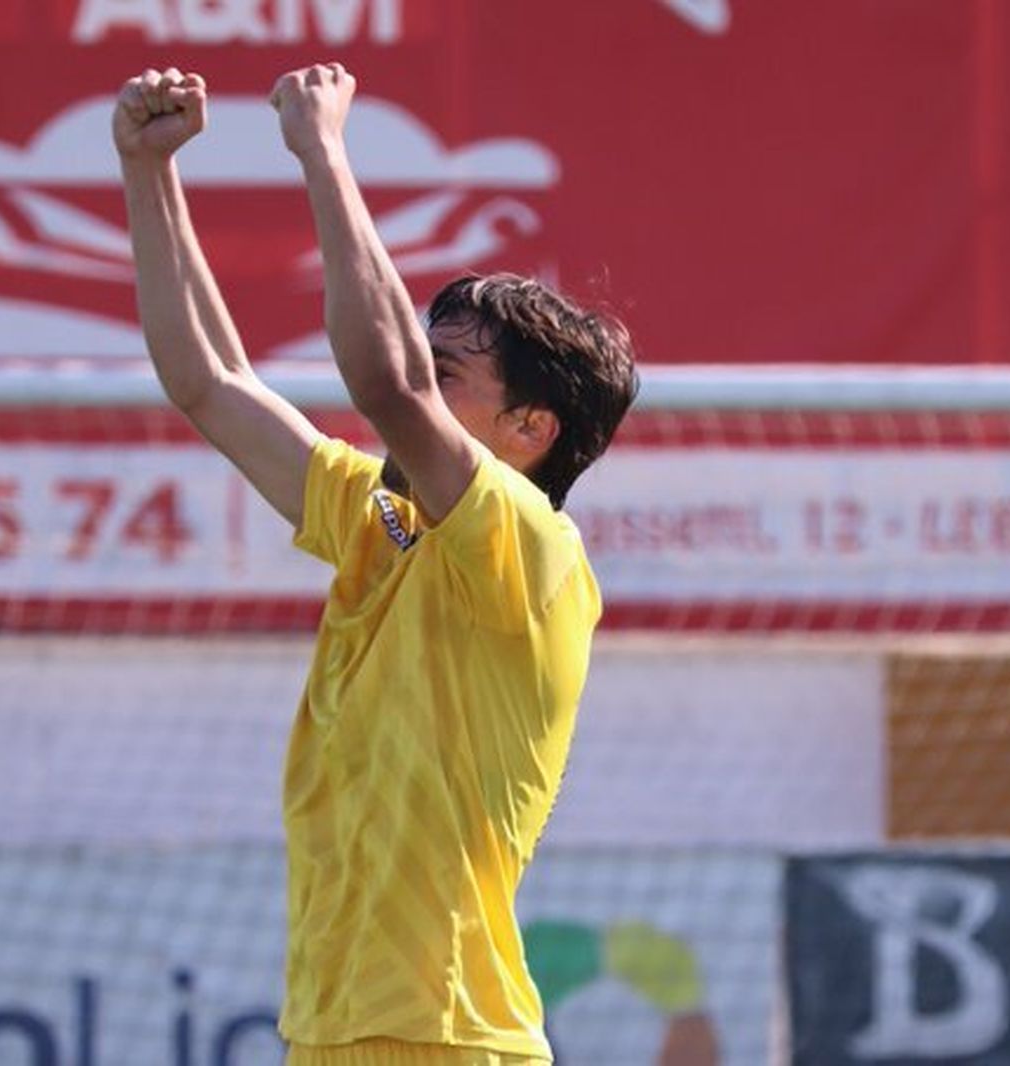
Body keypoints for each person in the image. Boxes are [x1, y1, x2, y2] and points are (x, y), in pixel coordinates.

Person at [113, 62, 639, 1066]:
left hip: (444, 1037)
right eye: (428, 361)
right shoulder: (381, 519)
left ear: (529, 428)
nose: (420, 390)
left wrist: (322, 150)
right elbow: (210, 384)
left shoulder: (527, 547)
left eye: (453, 376)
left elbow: (388, 382)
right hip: (332, 1031)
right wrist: (148, 174)